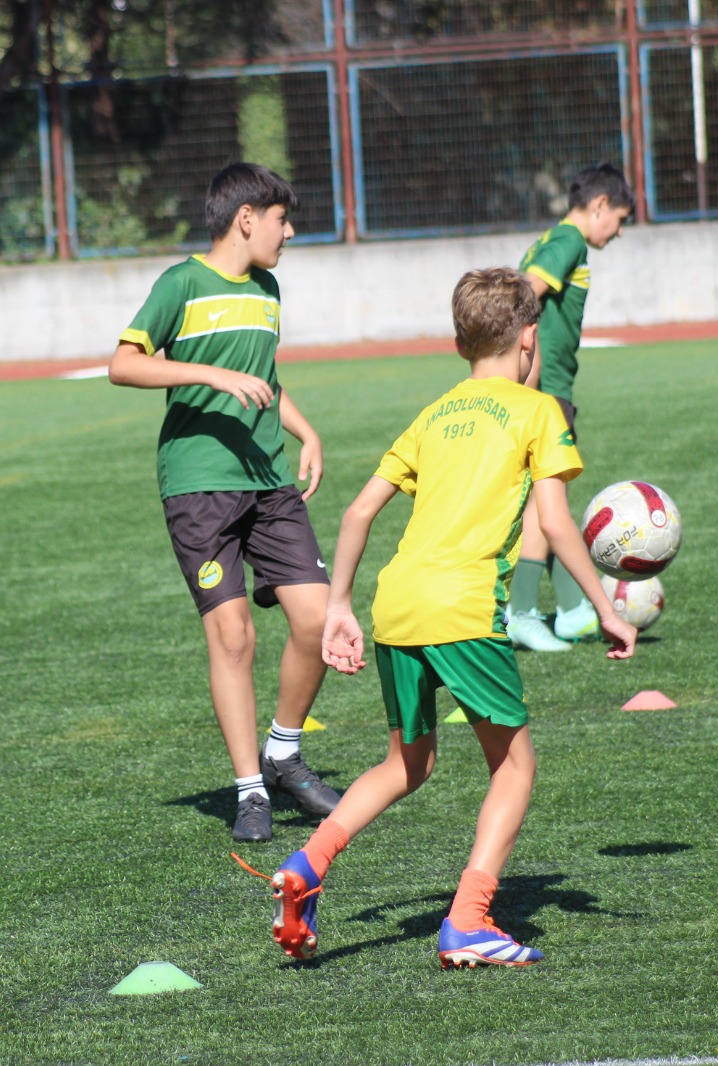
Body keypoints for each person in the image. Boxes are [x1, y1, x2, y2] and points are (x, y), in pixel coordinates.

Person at [237, 267, 636, 967]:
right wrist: (607, 607)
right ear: (531, 339)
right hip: (463, 607)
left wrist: (339, 608)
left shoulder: (433, 415)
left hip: (396, 604)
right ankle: (469, 920)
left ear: (459, 344)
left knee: (408, 762)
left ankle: (306, 864)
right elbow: (554, 522)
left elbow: (358, 512)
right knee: (514, 768)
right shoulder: (537, 410)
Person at [109, 162, 341, 844]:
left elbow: (263, 378)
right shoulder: (180, 284)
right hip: (198, 484)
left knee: (317, 620)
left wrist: (306, 431)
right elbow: (124, 363)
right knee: (234, 636)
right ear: (246, 219)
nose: (289, 233)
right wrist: (208, 373)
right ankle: (250, 791)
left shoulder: (268, 289)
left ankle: (283, 753)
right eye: (282, 220)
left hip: (269, 478)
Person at [506, 162, 635, 652]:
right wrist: (531, 372)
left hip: (544, 390)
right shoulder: (569, 242)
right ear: (600, 205)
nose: (618, 232)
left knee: (545, 502)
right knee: (547, 505)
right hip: (549, 393)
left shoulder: (548, 239)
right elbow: (525, 293)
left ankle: (571, 609)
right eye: (619, 220)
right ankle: (521, 612)